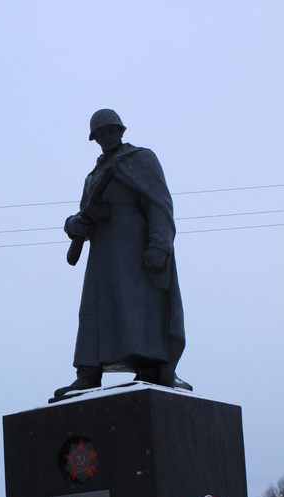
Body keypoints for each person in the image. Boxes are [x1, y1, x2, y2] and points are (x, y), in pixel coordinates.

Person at [54, 109, 189, 399]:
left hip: (135, 248)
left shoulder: (140, 159)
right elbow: (83, 216)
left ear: (121, 130)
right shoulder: (94, 176)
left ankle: (152, 368)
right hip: (103, 254)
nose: (106, 137)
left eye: (111, 130)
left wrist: (159, 245)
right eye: (100, 134)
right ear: (95, 139)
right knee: (95, 312)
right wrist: (73, 224)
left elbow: (159, 204)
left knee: (143, 311)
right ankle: (88, 374)